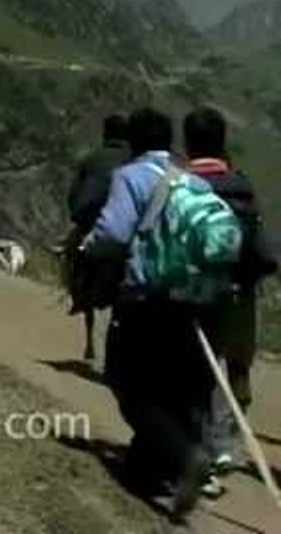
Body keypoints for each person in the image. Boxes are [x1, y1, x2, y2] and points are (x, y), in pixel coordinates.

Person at [85, 108, 213, 521]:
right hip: (188, 299)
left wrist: (90, 248)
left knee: (128, 383)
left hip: (142, 297)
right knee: (168, 386)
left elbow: (114, 233)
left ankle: (183, 459)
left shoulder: (131, 177)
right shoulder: (188, 179)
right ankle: (144, 469)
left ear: (134, 143)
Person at [183, 107, 277, 491]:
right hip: (239, 298)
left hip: (191, 298)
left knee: (195, 373)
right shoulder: (243, 189)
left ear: (188, 144)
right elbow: (265, 256)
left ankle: (198, 446)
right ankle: (228, 446)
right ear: (223, 144)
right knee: (238, 367)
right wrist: (245, 280)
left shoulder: (180, 187)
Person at [65, 114, 130, 359]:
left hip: (91, 226)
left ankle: (78, 295)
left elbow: (74, 195)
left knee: (72, 255)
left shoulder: (90, 159)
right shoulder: (135, 160)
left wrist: (78, 217)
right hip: (128, 231)